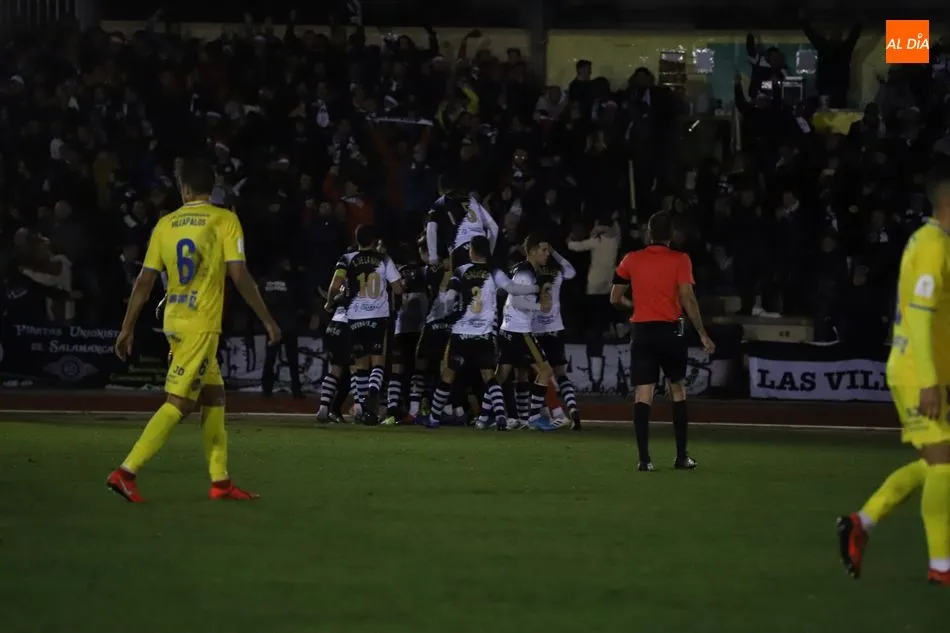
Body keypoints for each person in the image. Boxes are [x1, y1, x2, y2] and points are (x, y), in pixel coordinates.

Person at [107, 157, 281, 503]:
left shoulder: (165, 224)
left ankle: (221, 482)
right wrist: (267, 319)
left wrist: (126, 327)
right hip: (201, 324)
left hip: (174, 319)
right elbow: (239, 275)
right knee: (180, 403)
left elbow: (144, 282)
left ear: (184, 189)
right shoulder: (225, 220)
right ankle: (125, 472)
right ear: (211, 187)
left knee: (214, 397)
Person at [836, 164, 950, 586]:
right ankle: (942, 567)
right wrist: (928, 380)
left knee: (939, 462)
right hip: (916, 372)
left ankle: (861, 522)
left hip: (930, 370)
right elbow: (919, 320)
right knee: (943, 467)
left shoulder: (934, 243)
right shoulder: (933, 246)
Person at [610, 211, 714, 472]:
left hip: (642, 331)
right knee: (676, 388)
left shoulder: (631, 259)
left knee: (643, 392)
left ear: (649, 233)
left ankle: (644, 459)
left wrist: (635, 304)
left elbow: (614, 297)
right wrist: (701, 331)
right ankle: (681, 456)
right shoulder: (681, 260)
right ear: (671, 234)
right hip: (671, 330)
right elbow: (688, 298)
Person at [422, 235, 538, 429]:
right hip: (484, 334)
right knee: (489, 377)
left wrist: (448, 312)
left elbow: (449, 300)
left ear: (471, 251)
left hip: (461, 333)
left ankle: (434, 418)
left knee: (448, 375)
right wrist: (535, 287)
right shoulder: (494, 272)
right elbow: (512, 288)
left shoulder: (461, 270)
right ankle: (501, 416)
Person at [324, 224, 403, 424]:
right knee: (378, 362)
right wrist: (395, 307)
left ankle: (363, 407)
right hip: (378, 316)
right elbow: (398, 287)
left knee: (360, 364)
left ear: (356, 239)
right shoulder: (384, 259)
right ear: (375, 240)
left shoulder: (347, 259)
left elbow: (334, 285)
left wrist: (329, 302)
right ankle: (373, 396)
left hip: (355, 317)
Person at [495, 234, 554, 431]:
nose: (547, 254)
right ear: (532, 251)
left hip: (509, 328)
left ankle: (487, 415)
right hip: (519, 330)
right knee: (545, 371)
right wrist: (540, 306)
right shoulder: (526, 273)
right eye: (544, 250)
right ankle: (534, 417)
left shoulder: (525, 270)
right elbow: (517, 301)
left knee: (504, 375)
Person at [532, 246, 581, 430]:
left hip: (536, 329)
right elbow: (572, 271)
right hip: (555, 328)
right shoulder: (558, 273)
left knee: (541, 374)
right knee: (560, 374)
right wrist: (555, 252)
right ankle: (572, 407)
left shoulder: (532, 272)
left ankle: (554, 412)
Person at [425, 175, 498, 270]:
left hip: (461, 249)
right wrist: (489, 250)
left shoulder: (440, 203)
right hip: (481, 249)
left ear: (440, 189)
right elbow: (493, 226)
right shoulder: (472, 200)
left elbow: (431, 229)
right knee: (486, 282)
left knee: (463, 283)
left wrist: (433, 258)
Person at [261, 255, 303, 398]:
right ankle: (296, 389)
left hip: (272, 324)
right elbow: (296, 299)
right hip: (288, 324)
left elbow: (262, 300)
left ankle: (266, 389)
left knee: (270, 358)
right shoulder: (290, 279)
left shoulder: (266, 280)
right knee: (292, 359)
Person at [315, 283, 351, 424]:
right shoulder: (365, 280)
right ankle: (361, 411)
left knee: (336, 369)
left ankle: (324, 408)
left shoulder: (344, 283)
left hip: (333, 326)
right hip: (349, 326)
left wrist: (329, 301)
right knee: (356, 368)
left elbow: (333, 297)